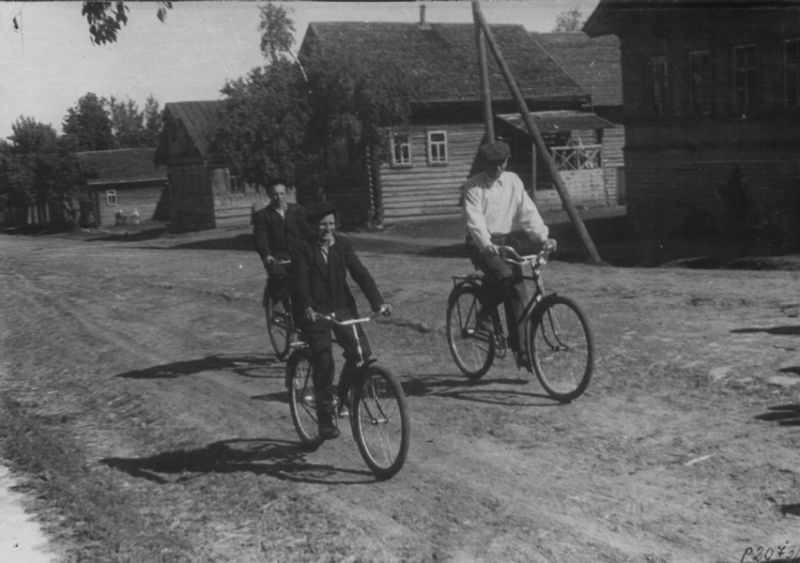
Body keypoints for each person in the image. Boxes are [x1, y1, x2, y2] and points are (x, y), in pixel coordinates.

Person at [290, 201, 392, 440]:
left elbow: (360, 273)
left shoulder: (342, 244)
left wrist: (378, 303)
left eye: (332, 224)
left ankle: (341, 396)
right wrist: (306, 307)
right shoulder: (303, 248)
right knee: (324, 359)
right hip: (314, 312)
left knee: (361, 353)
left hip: (341, 307)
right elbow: (300, 282)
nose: (328, 229)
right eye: (323, 225)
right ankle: (325, 418)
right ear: (314, 226)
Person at [462, 140, 554, 368]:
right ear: (486, 163)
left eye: (501, 163)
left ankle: (521, 352)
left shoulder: (513, 181)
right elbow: (475, 223)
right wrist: (486, 244)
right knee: (505, 278)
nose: (498, 168)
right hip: (481, 244)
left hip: (507, 243)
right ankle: (483, 318)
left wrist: (543, 237)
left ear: (507, 161)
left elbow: (528, 212)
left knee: (518, 293)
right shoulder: (473, 187)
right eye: (493, 164)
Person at [252, 180, 308, 319]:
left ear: (286, 194)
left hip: (298, 254)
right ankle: (276, 304)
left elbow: (307, 231)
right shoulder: (263, 215)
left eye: (282, 193)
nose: (279, 197)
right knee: (278, 276)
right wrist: (267, 255)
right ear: (269, 195)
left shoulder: (297, 210)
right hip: (277, 256)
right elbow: (261, 238)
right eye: (275, 194)